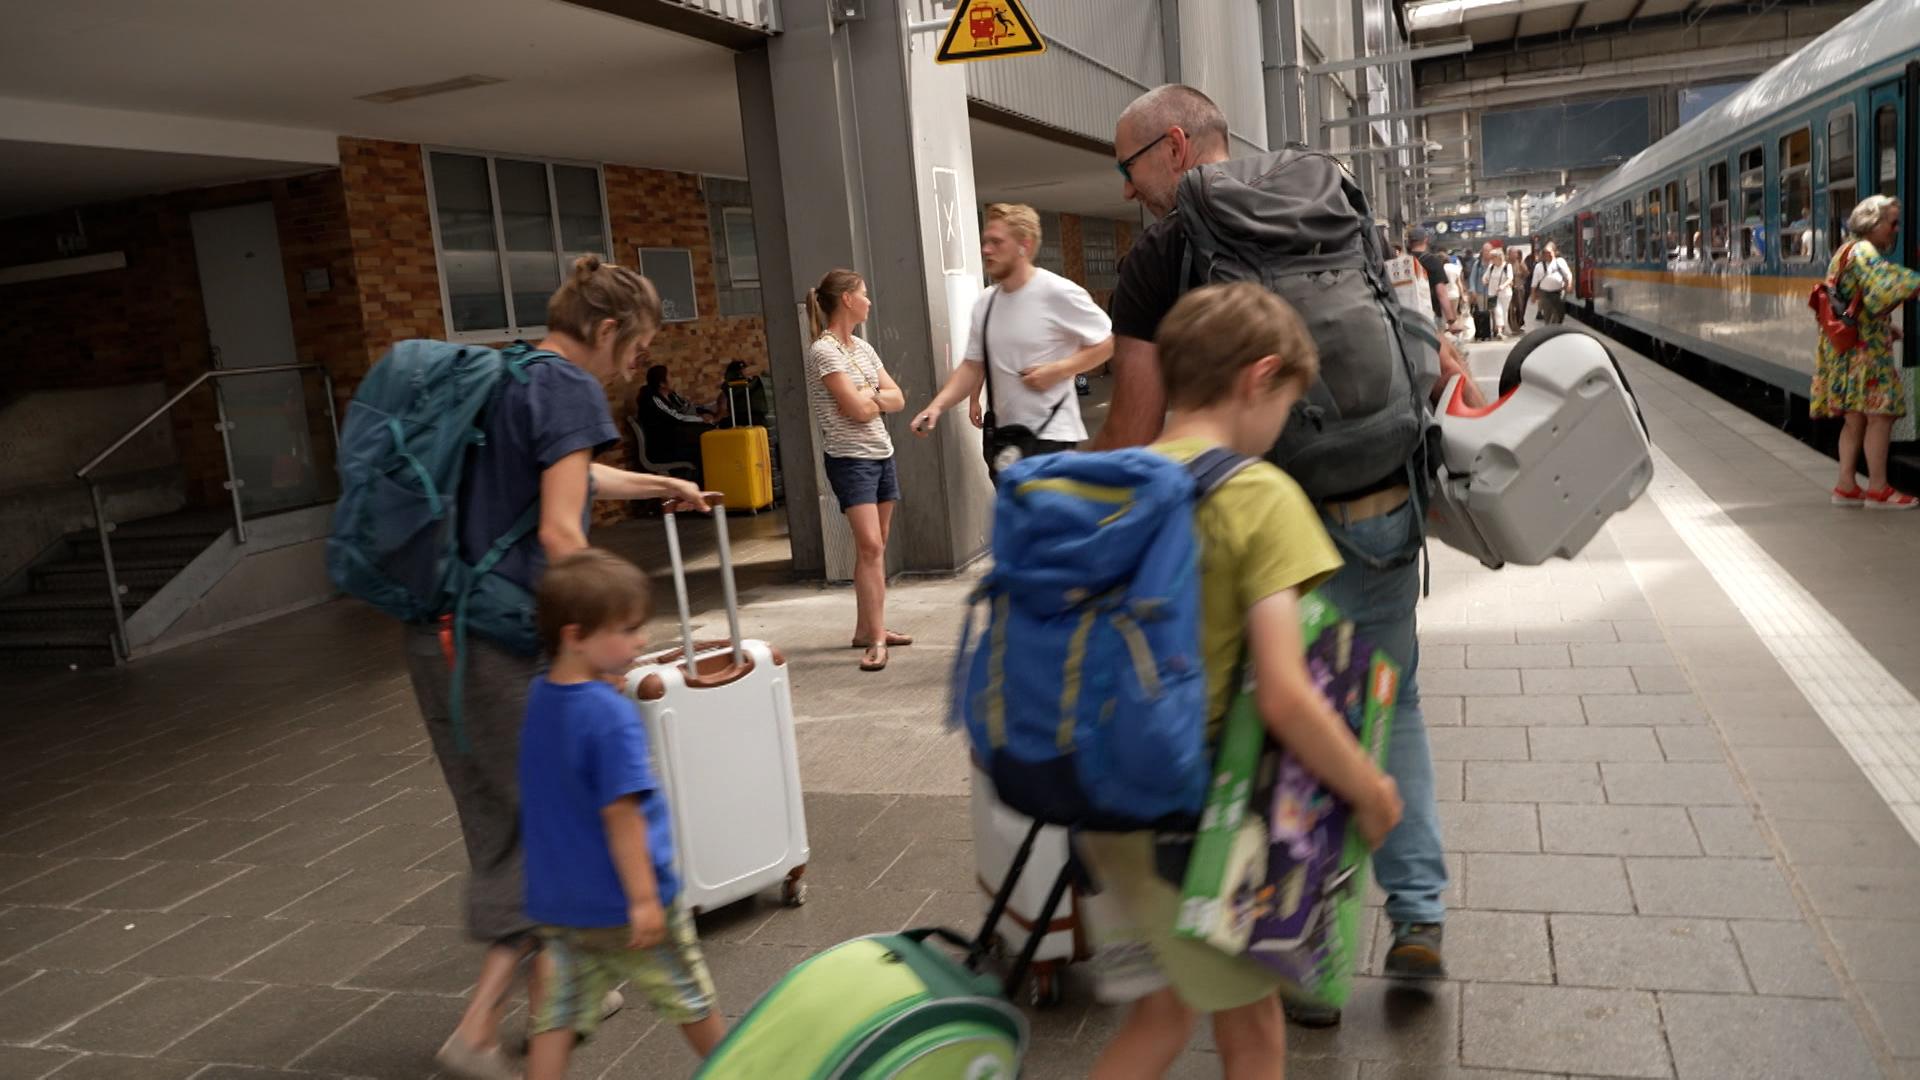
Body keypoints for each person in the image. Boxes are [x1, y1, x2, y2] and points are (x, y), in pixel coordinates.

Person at [1099, 83, 1452, 1030]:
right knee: (1394, 701)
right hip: (1379, 495)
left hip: (1259, 522)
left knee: (1276, 726)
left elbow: (1134, 431)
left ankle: (1302, 955)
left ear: (1175, 147)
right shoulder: (1327, 200)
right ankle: (1418, 914)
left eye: (1129, 167)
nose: (1128, 189)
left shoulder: (1162, 254)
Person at [1079, 282, 1403, 1080]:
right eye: (1288, 404)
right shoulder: (1258, 495)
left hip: (1102, 812)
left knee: (1161, 1015)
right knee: (1254, 1029)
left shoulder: (1110, 480)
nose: (1283, 425)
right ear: (1260, 379)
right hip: (1193, 825)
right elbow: (1285, 695)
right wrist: (1369, 790)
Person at [408, 257, 710, 1080]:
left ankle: (564, 982)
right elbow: (560, 531)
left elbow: (569, 476)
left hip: (441, 633)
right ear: (606, 330)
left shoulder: (510, 371)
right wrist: (602, 643)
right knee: (552, 825)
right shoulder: (570, 387)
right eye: (636, 348)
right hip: (502, 642)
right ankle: (481, 1027)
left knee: (507, 823)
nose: (635, 366)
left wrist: (655, 482)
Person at [520, 549, 725, 1079]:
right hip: (625, 901)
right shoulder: (611, 715)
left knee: (557, 1016)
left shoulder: (541, 698)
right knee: (689, 997)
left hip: (562, 905)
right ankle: (737, 1070)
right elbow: (621, 814)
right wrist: (644, 899)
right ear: (576, 636)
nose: (640, 640)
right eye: (628, 629)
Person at [911, 203, 1114, 475]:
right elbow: (972, 366)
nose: (986, 250)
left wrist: (1059, 370)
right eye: (985, 242)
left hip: (1050, 437)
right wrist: (937, 406)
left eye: (996, 242)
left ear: (1024, 246)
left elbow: (1108, 342)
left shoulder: (1057, 292)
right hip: (1005, 439)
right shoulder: (986, 303)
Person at [805, 268, 912, 671]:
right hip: (851, 460)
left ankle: (867, 629)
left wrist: (870, 396)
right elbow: (855, 409)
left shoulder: (863, 348)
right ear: (847, 299)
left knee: (876, 546)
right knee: (870, 547)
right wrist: (872, 398)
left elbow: (898, 398)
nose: (869, 301)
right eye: (864, 294)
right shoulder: (824, 350)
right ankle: (877, 639)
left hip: (882, 453)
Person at [1814, 194, 1920, 510]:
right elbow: (1884, 285)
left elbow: (1859, 300)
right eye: (1892, 223)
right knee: (1881, 415)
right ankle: (1878, 489)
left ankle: (1846, 486)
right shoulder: (1863, 251)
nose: (1896, 230)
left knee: (1855, 419)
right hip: (1864, 355)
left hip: (1846, 350)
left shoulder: (1846, 250)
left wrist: (1885, 327)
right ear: (1874, 224)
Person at [633, 365, 713, 476]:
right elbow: (676, 418)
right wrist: (701, 419)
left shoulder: (671, 396)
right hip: (663, 449)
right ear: (662, 384)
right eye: (670, 376)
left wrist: (708, 414)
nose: (673, 378)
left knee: (708, 439)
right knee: (703, 448)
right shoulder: (653, 400)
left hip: (676, 442)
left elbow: (687, 408)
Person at [1407, 228, 1455, 329]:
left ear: (1409, 241)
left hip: (1407, 315)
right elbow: (1441, 293)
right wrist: (1451, 320)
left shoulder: (1403, 262)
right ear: (1426, 240)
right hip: (1430, 314)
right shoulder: (1433, 261)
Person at [1531, 242, 1572, 325]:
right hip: (1545, 294)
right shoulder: (1539, 266)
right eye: (1545, 253)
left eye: (1549, 252)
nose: (1547, 255)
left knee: (1559, 315)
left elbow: (1568, 274)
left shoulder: (1560, 262)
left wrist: (1569, 285)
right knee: (1548, 315)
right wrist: (1533, 295)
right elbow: (1534, 282)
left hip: (1559, 293)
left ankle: (1556, 328)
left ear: (1554, 252)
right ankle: (1550, 329)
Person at [1486, 249, 1513, 339]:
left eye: (1493, 258)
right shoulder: (1491, 267)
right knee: (1498, 311)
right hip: (1493, 294)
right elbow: (1485, 276)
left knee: (1504, 311)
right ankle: (1500, 331)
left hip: (1505, 294)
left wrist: (1503, 286)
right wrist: (1484, 280)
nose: (1491, 260)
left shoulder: (1507, 266)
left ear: (1499, 257)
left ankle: (1504, 329)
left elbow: (1510, 278)